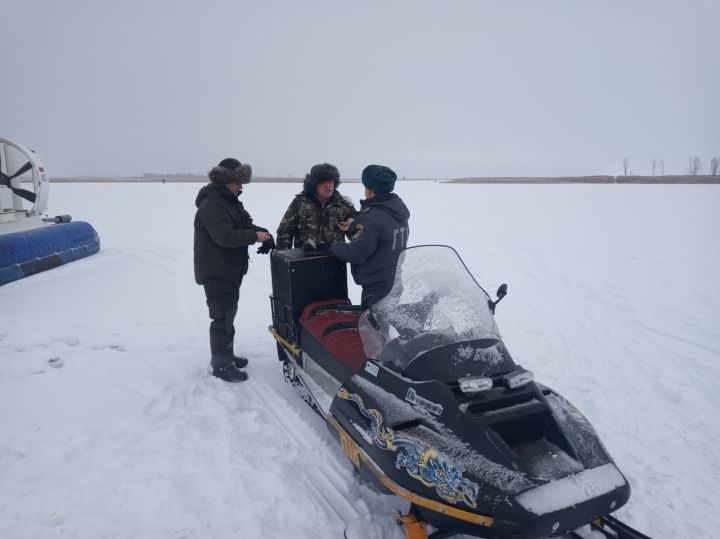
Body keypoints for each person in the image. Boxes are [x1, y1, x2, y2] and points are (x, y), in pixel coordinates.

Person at [194, 158, 274, 382]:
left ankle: (225, 355)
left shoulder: (229, 202)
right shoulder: (212, 205)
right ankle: (221, 365)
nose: (241, 188)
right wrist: (253, 237)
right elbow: (225, 237)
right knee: (222, 317)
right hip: (216, 271)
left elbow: (244, 226)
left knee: (229, 314)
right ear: (226, 180)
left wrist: (263, 234)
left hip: (228, 270)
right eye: (238, 183)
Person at [317, 164, 410, 309]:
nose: (365, 191)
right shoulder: (397, 212)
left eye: (366, 187)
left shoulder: (371, 218)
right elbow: (379, 236)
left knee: (373, 329)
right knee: (384, 324)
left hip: (377, 289)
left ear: (371, 190)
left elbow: (355, 254)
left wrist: (330, 246)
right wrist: (354, 226)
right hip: (394, 282)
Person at [275, 163, 356, 250]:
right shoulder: (300, 203)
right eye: (323, 182)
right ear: (314, 185)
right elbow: (285, 233)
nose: (328, 186)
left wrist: (353, 225)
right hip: (304, 259)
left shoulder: (344, 205)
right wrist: (284, 257)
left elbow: (359, 237)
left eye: (330, 181)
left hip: (334, 259)